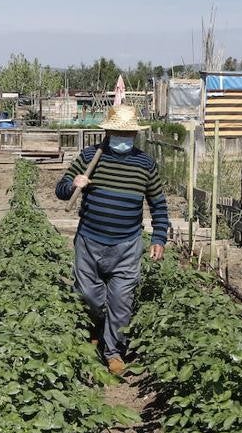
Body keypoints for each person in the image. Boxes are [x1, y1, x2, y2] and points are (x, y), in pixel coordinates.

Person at [55, 105, 169, 376]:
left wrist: (159, 236)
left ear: (135, 135)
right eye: (117, 132)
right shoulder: (89, 156)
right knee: (90, 297)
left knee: (120, 300)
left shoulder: (145, 164)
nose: (122, 137)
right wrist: (75, 184)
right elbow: (60, 190)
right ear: (107, 132)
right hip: (89, 241)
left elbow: (158, 204)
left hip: (127, 245)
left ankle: (114, 352)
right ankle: (96, 326)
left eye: (127, 133)